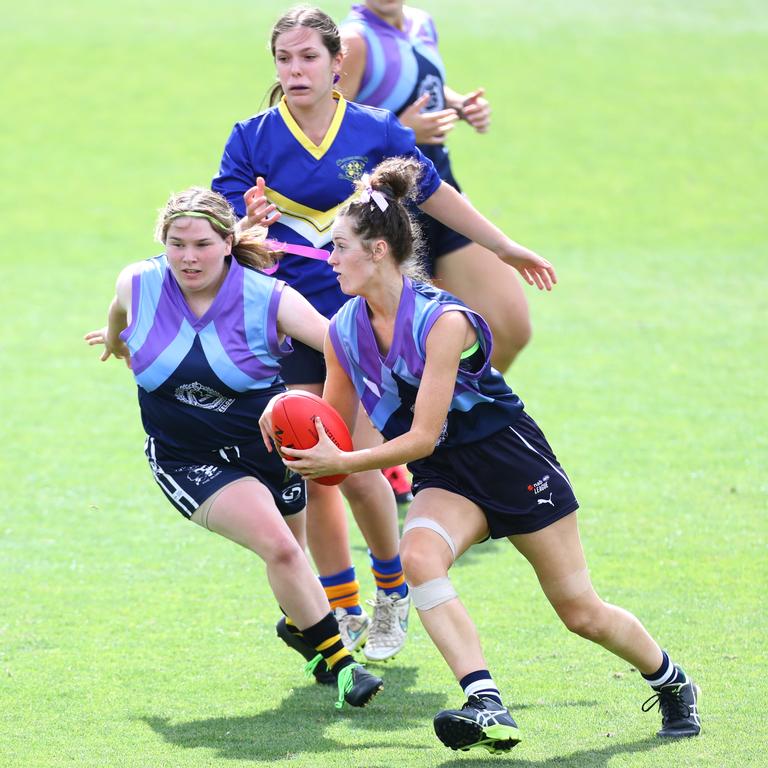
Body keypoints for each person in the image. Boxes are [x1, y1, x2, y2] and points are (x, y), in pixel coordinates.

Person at [260, 158, 701, 753]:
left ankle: (671, 681)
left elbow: (420, 437)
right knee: (419, 559)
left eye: (338, 248)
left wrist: (343, 462)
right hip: (447, 477)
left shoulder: (443, 321)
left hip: (510, 462)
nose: (329, 260)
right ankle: (485, 702)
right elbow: (334, 439)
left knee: (580, 612)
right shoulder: (341, 331)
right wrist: (286, 417)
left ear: (380, 252)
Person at [212, 5, 551, 666]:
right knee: (312, 463)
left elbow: (435, 191)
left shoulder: (373, 129)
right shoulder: (251, 137)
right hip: (288, 318)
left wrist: (504, 245)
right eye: (285, 59)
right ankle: (343, 607)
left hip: (358, 324)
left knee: (356, 460)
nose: (296, 70)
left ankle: (391, 591)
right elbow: (228, 224)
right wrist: (245, 221)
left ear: (338, 63)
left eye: (309, 57)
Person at [83, 186, 383, 710]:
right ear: (163, 242)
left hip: (271, 453)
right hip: (187, 457)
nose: (188, 257)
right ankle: (343, 666)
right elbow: (118, 313)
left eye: (201, 244)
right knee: (284, 550)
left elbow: (344, 347)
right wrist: (114, 341)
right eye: (176, 244)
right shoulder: (139, 281)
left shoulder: (270, 298)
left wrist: (315, 413)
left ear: (228, 241)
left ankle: (301, 629)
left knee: (292, 562)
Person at [338, 1, 531, 374]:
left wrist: (456, 103)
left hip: (440, 189)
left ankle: (448, 419)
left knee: (508, 328)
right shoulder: (354, 41)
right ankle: (421, 424)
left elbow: (411, 76)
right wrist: (402, 132)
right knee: (403, 355)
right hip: (389, 214)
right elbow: (332, 132)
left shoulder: (421, 23)